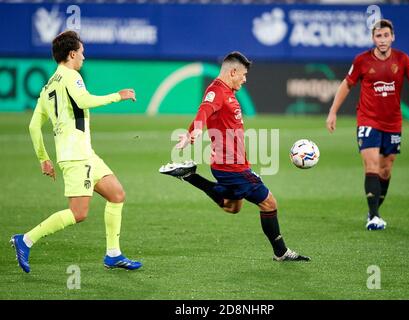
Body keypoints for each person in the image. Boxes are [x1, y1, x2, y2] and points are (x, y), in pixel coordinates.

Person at [10, 30, 142, 273]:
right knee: (78, 213)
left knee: (116, 194)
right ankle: (25, 240)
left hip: (84, 153)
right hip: (75, 156)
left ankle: (113, 254)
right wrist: (118, 96)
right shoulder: (72, 75)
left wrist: (44, 159)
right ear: (72, 54)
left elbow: (33, 126)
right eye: (82, 52)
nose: (84, 57)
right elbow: (84, 101)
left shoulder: (48, 86)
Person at [159, 51, 310, 262]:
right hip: (233, 167)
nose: (245, 79)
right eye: (244, 75)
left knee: (232, 206)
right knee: (269, 203)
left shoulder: (225, 91)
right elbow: (204, 111)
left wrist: (191, 130)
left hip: (228, 165)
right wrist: (194, 132)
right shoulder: (217, 92)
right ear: (233, 72)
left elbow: (205, 113)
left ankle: (190, 175)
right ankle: (281, 252)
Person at [326, 19, 409, 230]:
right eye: (378, 36)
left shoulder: (403, 59)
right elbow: (346, 85)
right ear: (373, 38)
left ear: (392, 37)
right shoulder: (362, 60)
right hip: (368, 119)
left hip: (393, 122)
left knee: (386, 169)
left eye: (386, 35)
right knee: (371, 165)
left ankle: (373, 210)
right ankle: (374, 216)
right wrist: (333, 112)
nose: (382, 40)